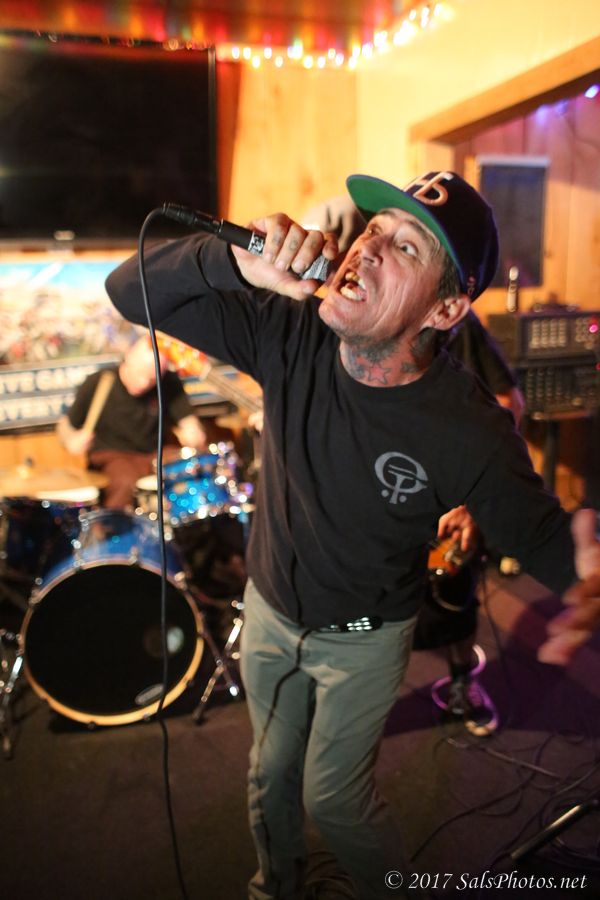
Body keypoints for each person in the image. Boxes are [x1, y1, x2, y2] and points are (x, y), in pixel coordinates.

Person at [105, 171, 600, 900]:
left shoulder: (467, 427)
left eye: (405, 246)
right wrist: (233, 263)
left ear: (445, 308)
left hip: (364, 641)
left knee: (334, 799)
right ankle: (276, 885)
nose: (366, 247)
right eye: (374, 228)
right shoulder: (288, 327)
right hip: (269, 611)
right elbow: (128, 291)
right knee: (268, 773)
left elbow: (548, 539)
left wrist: (589, 574)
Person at [304, 196, 525, 736]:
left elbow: (507, 400)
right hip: (369, 508)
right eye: (369, 234)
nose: (362, 252)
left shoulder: (456, 325)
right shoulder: (334, 315)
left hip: (441, 499)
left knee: (451, 603)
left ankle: (461, 682)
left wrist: (472, 497)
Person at [57, 335, 206, 508]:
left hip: (155, 454)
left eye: (151, 380)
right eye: (139, 375)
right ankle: (115, 524)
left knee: (187, 469)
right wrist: (71, 441)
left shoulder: (168, 382)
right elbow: (66, 426)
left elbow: (188, 421)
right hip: (113, 456)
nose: (143, 383)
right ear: (127, 361)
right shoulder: (98, 382)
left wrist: (194, 432)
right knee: (125, 481)